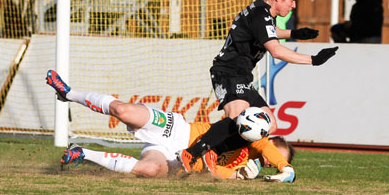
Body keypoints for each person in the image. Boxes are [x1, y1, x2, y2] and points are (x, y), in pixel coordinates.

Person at [179, 0, 338, 174]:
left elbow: (267, 30)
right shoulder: (260, 14)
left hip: (242, 75)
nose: (294, 6)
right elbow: (276, 50)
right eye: (292, 0)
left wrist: (294, 33)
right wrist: (314, 60)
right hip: (228, 72)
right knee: (238, 118)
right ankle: (192, 153)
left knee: (270, 125)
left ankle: (214, 151)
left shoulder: (262, 12)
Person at [46, 70, 297, 182]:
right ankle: (69, 93)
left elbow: (214, 173)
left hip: (177, 161)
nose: (266, 163)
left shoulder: (242, 170)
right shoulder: (252, 134)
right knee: (122, 110)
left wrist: (236, 176)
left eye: (269, 166)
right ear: (269, 141)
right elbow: (270, 151)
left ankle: (81, 153)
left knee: (148, 170)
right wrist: (285, 168)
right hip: (177, 130)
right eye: (270, 159)